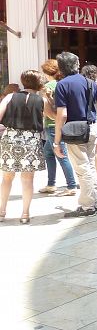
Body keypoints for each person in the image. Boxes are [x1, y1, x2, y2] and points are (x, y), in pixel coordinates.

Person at [54, 52, 97, 218]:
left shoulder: (62, 85)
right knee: (90, 165)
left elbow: (62, 114)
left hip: (75, 130)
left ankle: (87, 206)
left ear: (61, 67)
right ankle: (93, 201)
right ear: (77, 65)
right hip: (92, 127)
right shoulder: (89, 82)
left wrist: (57, 141)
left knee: (82, 168)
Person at [0, 70, 47, 224]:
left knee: (7, 178)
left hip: (10, 138)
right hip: (31, 140)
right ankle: (25, 214)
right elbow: (53, 115)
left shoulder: (10, 96)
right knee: (27, 180)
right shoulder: (41, 100)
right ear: (39, 83)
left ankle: (1, 211)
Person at [39, 60, 77, 196]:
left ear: (47, 72)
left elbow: (45, 108)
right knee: (48, 153)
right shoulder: (63, 84)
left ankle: (71, 185)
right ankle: (51, 184)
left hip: (51, 124)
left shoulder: (48, 86)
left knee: (61, 154)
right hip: (60, 122)